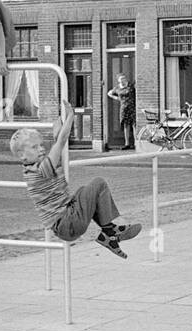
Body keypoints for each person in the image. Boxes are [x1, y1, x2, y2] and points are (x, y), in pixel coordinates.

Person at [9, 100, 141, 255]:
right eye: (34, 147)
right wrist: (71, 116)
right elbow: (61, 142)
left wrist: (57, 131)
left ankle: (109, 234)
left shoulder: (32, 168)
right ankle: (109, 232)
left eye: (41, 145)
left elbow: (57, 145)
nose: (41, 149)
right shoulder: (40, 170)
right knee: (98, 184)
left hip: (64, 224)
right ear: (22, 156)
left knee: (83, 192)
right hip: (67, 223)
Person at [105, 73, 136, 150]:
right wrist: (116, 98)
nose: (123, 80)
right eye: (121, 79)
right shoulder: (117, 88)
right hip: (123, 108)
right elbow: (109, 93)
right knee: (126, 125)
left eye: (124, 78)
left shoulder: (130, 86)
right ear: (118, 80)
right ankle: (127, 143)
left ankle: (136, 142)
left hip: (132, 107)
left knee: (134, 124)